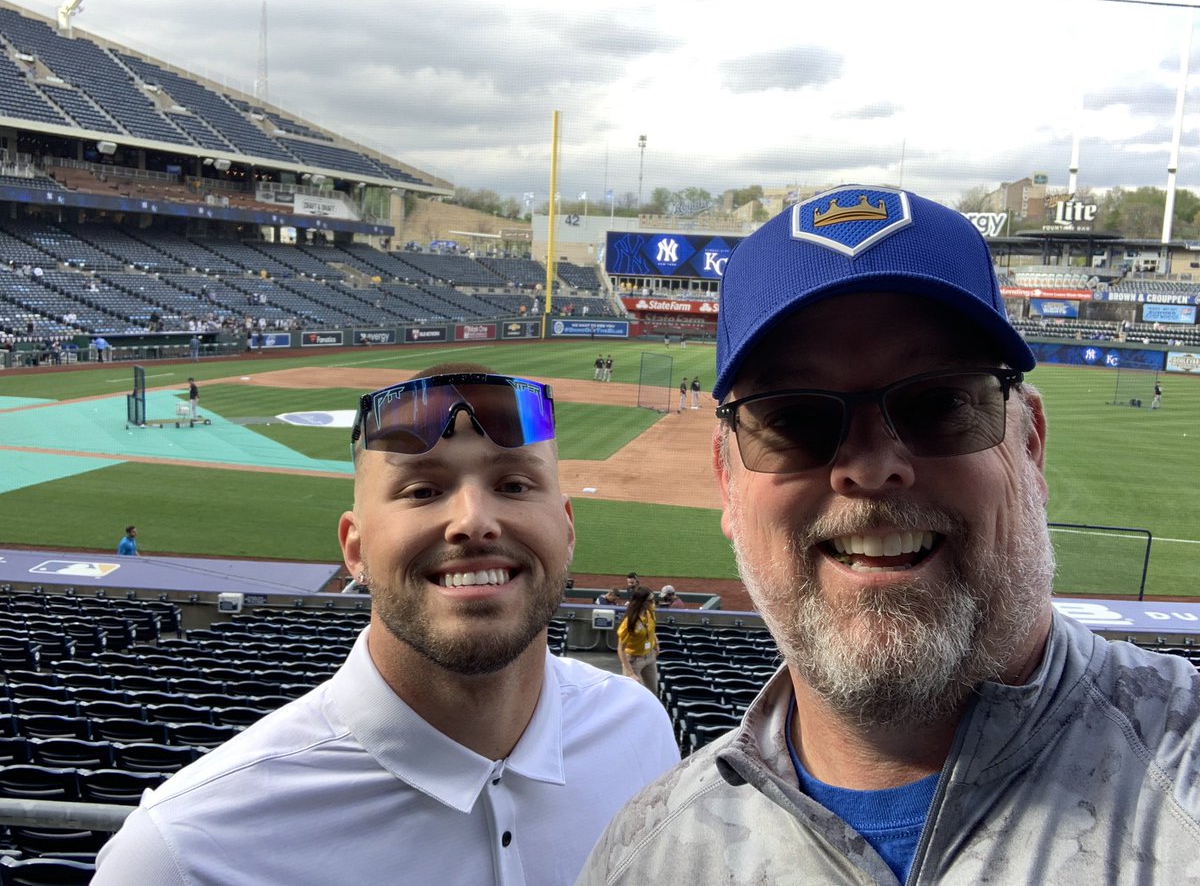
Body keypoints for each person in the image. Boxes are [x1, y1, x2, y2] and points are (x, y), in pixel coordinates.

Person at [579, 185, 1200, 883]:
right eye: (794, 418)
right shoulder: (646, 857)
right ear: (727, 482)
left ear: (1029, 450)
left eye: (938, 402)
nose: (871, 469)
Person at [95, 363, 678, 885]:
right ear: (355, 549)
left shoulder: (641, 731)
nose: (473, 522)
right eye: (422, 490)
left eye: (514, 485)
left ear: (568, 529)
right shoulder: (178, 856)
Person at [616, 585, 659, 693]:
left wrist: (656, 643)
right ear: (642, 602)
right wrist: (630, 673)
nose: (653, 602)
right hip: (634, 660)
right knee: (634, 694)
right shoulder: (629, 622)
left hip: (650, 657)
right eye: (650, 600)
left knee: (653, 691)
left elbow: (651, 629)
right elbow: (621, 649)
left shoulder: (650, 612)